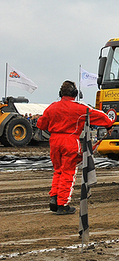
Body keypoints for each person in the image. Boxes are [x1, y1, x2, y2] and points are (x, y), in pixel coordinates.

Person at [37, 81, 114, 215]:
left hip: (54, 141)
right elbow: (100, 116)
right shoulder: (79, 108)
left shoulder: (52, 107)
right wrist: (109, 125)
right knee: (68, 172)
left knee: (58, 171)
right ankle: (63, 204)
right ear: (75, 94)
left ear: (60, 93)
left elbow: (41, 124)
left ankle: (54, 197)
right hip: (70, 140)